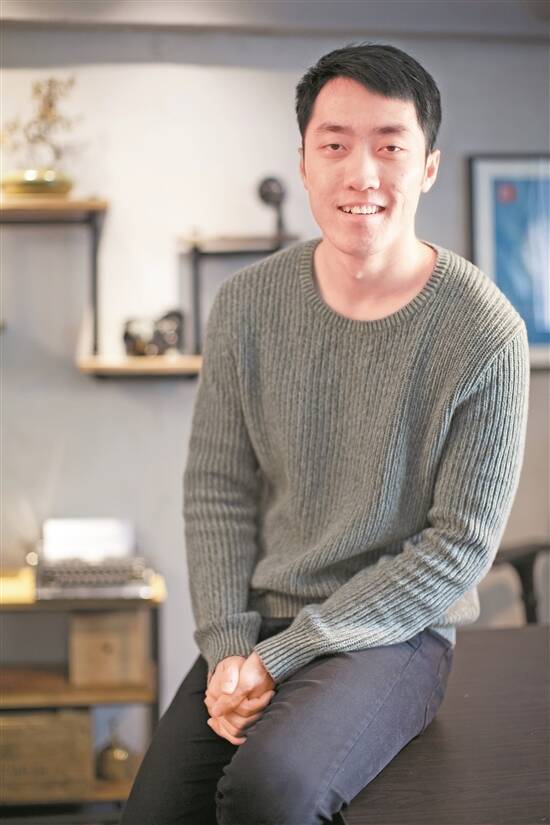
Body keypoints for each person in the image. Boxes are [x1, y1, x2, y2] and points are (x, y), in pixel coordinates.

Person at [120, 42, 529, 825]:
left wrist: (283, 655)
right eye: (335, 145)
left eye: (390, 146)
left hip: (396, 634)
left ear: (428, 167)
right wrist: (229, 647)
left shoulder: (486, 332)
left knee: (268, 791)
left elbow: (457, 547)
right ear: (304, 165)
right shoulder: (247, 305)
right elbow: (219, 491)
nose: (361, 174)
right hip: (257, 624)